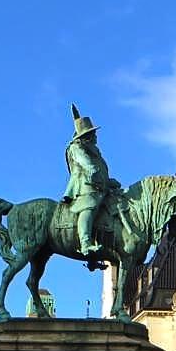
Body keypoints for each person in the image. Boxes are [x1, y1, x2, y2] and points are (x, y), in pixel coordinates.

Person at [63, 104, 113, 257]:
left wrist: (108, 181)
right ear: (86, 136)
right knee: (89, 208)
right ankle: (85, 244)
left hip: (99, 184)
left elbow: (100, 169)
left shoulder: (93, 149)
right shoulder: (76, 148)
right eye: (92, 133)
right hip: (84, 185)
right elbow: (87, 165)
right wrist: (95, 173)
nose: (95, 135)